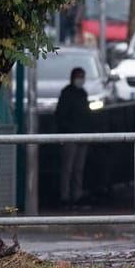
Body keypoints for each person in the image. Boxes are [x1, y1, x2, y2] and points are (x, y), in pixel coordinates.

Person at [54, 66, 93, 207]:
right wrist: (66, 130)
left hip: (82, 136)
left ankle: (76, 195)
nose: (81, 79)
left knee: (78, 169)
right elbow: (60, 115)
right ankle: (64, 197)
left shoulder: (83, 93)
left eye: (82, 76)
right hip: (70, 135)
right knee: (68, 168)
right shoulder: (67, 93)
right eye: (79, 76)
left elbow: (86, 115)